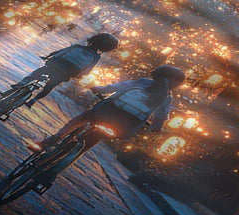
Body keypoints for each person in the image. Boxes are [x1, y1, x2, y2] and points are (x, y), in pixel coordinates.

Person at [26, 64, 185, 153]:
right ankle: (63, 164)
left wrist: (98, 89)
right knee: (94, 139)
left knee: (84, 117)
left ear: (156, 74)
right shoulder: (167, 97)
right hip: (125, 126)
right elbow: (160, 119)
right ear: (176, 84)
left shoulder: (143, 82)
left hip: (105, 112)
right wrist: (152, 130)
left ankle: (52, 139)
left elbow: (117, 87)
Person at [11, 33, 119, 105]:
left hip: (55, 64)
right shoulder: (95, 57)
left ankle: (23, 82)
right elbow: (87, 71)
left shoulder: (77, 47)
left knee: (40, 71)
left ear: (92, 40)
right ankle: (33, 100)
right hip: (68, 73)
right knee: (50, 86)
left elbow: (59, 52)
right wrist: (78, 75)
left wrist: (48, 56)